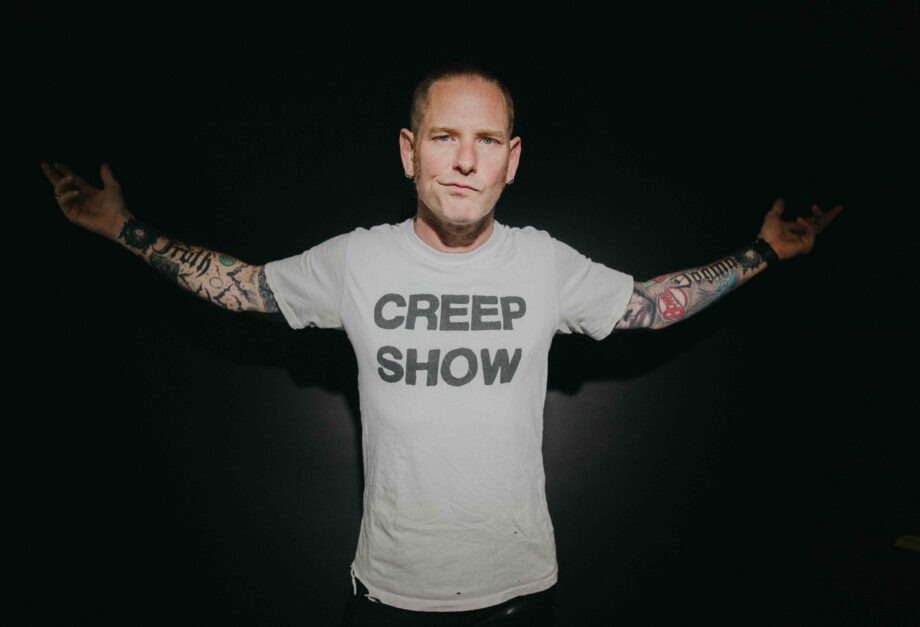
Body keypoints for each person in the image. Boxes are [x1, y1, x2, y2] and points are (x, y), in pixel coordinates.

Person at [42, 64, 841, 626]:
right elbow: (244, 285)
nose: (464, 160)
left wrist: (762, 253)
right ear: (408, 149)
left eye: (488, 140)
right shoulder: (357, 260)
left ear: (512, 160)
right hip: (388, 596)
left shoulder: (543, 262)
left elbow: (649, 306)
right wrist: (123, 228)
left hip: (519, 594)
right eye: (445, 136)